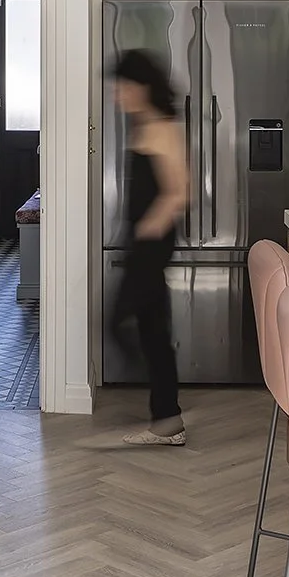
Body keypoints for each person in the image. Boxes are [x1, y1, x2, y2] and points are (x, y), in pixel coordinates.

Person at [108, 49, 190, 446]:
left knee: (121, 323)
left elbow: (180, 190)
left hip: (151, 243)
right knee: (151, 327)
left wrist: (147, 229)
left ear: (141, 87)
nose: (116, 95)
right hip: (143, 242)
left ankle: (166, 414)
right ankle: (168, 420)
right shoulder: (146, 125)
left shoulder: (162, 128)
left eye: (122, 87)